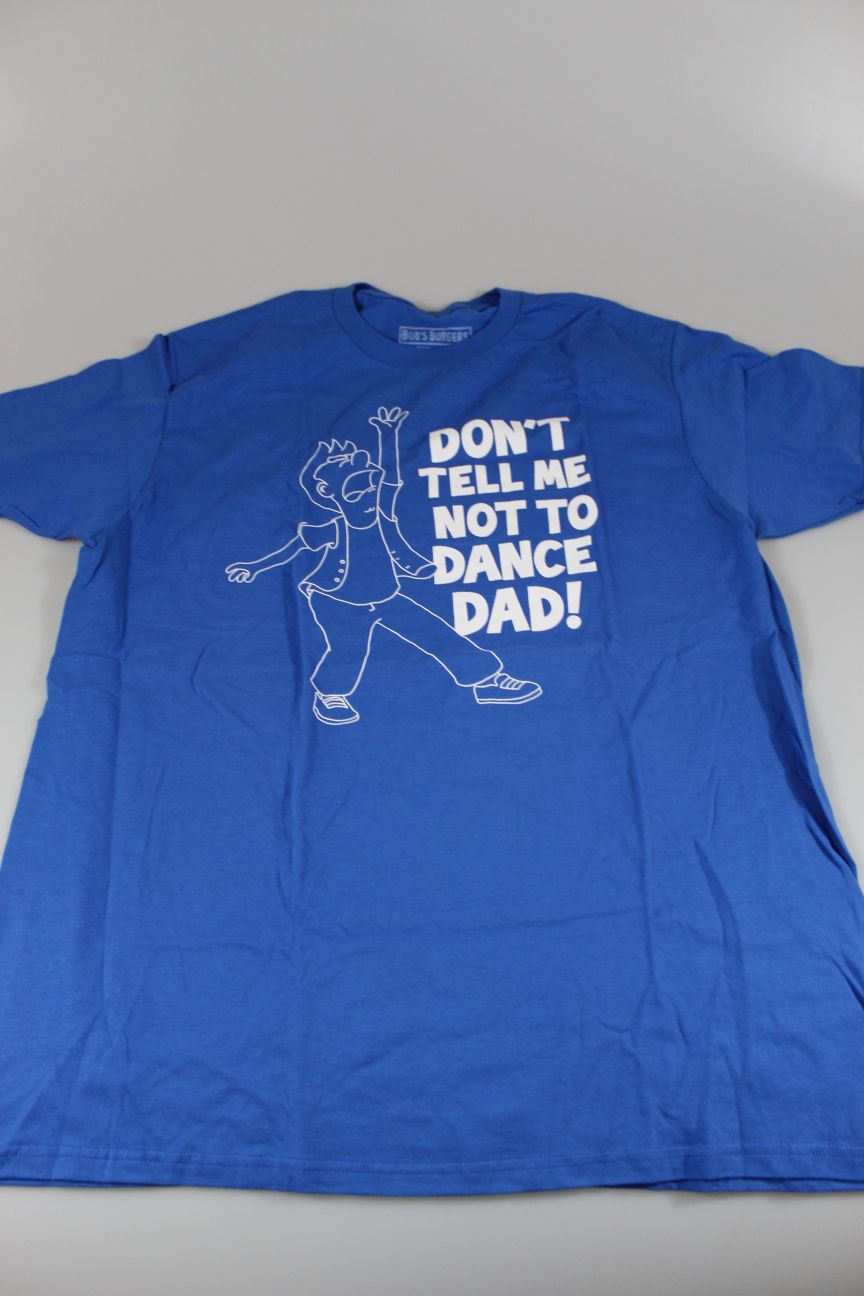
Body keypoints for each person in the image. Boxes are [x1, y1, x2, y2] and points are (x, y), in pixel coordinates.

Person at [225, 405, 542, 724]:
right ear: (330, 495)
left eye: (370, 488)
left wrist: (387, 435)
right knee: (348, 650)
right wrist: (255, 567)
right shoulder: (332, 528)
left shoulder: (381, 515)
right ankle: (331, 696)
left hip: (386, 596)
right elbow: (294, 546)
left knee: (437, 632)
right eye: (355, 492)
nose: (367, 497)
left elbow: (391, 477)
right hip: (338, 603)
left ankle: (486, 681)